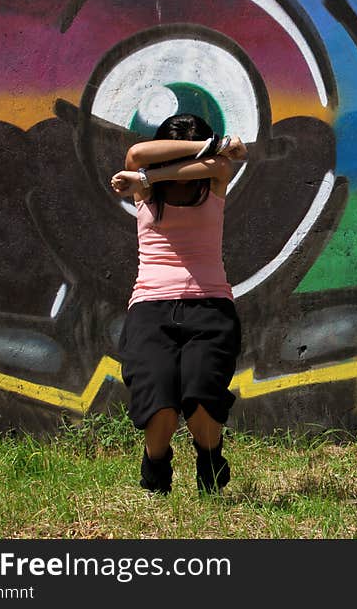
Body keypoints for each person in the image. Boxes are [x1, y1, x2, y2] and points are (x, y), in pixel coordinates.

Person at [109, 113, 247, 495]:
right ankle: (156, 467)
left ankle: (209, 461)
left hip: (210, 303)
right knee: (160, 404)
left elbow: (221, 162)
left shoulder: (215, 177)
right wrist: (209, 145)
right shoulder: (145, 186)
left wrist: (152, 176)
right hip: (150, 305)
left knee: (202, 398)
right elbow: (137, 152)